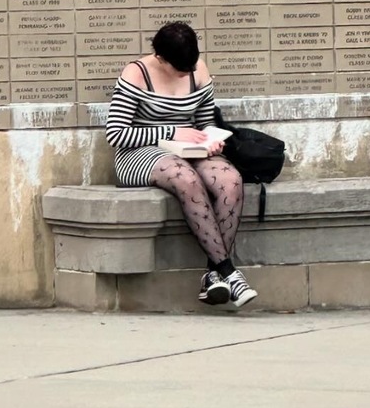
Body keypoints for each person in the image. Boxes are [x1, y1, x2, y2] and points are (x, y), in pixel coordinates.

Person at [105, 21, 257, 309]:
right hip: (140, 153)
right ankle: (227, 270)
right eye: (179, 69)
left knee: (230, 180)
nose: (186, 73)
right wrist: (171, 132)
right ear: (161, 58)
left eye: (189, 67)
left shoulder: (198, 69)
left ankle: (213, 276)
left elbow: (205, 120)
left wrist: (212, 139)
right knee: (186, 178)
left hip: (190, 147)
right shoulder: (136, 74)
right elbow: (117, 134)